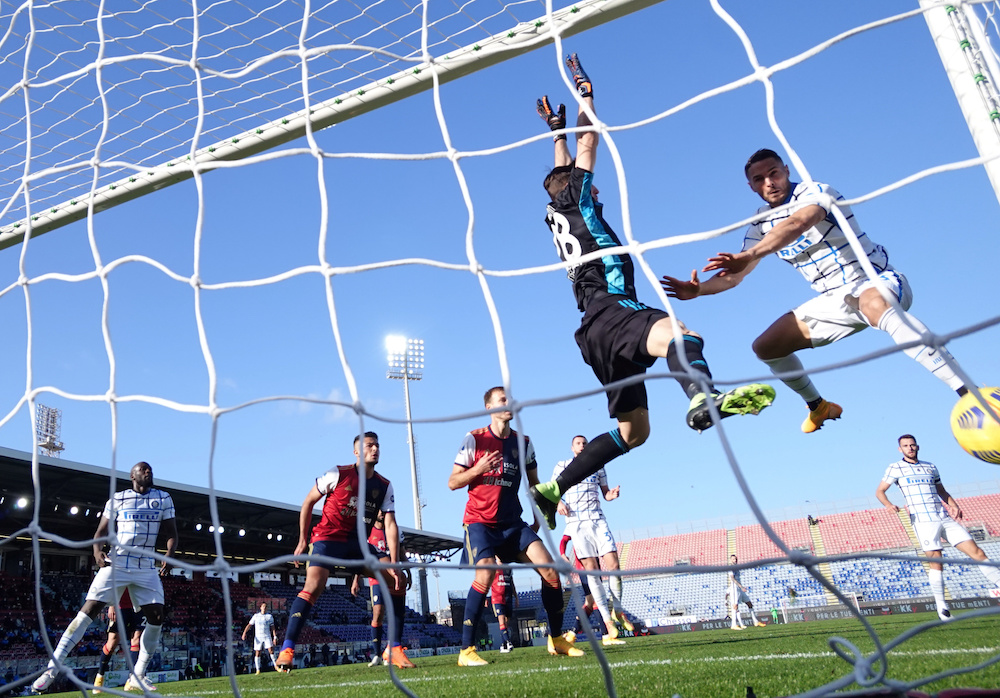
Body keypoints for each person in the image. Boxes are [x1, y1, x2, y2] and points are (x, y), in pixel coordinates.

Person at [530, 55, 775, 529]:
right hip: (615, 309)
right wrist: (585, 94)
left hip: (592, 332)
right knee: (681, 334)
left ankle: (553, 488)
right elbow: (590, 140)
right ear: (580, 189)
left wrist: (554, 132)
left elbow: (560, 174)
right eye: (588, 186)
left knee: (634, 432)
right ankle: (702, 395)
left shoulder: (556, 212)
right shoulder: (580, 198)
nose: (595, 190)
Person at [662, 148, 968, 434]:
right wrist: (698, 290)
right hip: (834, 300)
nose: (769, 183)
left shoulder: (814, 191)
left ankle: (968, 392)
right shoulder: (759, 224)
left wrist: (750, 255)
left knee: (872, 301)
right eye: (759, 179)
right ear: (751, 186)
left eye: (774, 174)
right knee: (766, 347)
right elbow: (734, 277)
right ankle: (817, 406)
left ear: (786, 170)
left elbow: (798, 222)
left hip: (875, 282)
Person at [448, 386, 584, 667]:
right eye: (502, 399)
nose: (509, 403)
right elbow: (453, 482)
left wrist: (544, 508)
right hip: (479, 522)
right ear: (489, 407)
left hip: (512, 523)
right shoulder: (473, 439)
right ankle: (466, 650)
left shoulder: (524, 443)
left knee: (550, 569)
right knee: (485, 574)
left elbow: (535, 484)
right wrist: (478, 469)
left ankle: (556, 639)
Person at [32, 461, 177, 694]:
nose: (148, 471)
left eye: (150, 469)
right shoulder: (118, 499)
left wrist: (169, 555)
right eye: (143, 469)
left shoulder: (163, 498)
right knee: (88, 610)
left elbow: (172, 533)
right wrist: (97, 551)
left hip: (145, 566)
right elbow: (100, 532)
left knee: (157, 616)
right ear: (132, 475)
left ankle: (138, 675)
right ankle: (52, 668)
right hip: (117, 562)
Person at [275, 432, 413, 671]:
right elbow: (308, 502)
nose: (375, 449)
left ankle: (395, 648)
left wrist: (393, 561)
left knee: (394, 578)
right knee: (314, 585)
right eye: (369, 445)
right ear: (356, 451)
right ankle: (287, 649)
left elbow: (390, 524)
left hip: (357, 544)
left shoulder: (384, 485)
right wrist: (302, 540)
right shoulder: (338, 473)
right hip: (327, 539)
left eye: (377, 445)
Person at [876, 434, 1000, 621]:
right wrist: (888, 505)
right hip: (923, 520)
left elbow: (941, 490)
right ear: (900, 449)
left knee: (978, 552)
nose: (910, 448)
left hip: (943, 516)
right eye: (905, 446)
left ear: (917, 447)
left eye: (912, 445)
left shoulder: (930, 467)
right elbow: (880, 491)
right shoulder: (895, 467)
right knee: (937, 562)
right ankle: (942, 608)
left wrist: (954, 504)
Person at [553, 435, 632, 645]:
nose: (582, 446)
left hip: (598, 520)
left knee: (614, 564)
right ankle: (608, 623)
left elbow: (605, 494)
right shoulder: (562, 465)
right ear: (572, 448)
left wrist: (611, 495)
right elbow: (553, 493)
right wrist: (558, 504)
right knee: (592, 572)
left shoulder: (598, 465)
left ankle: (618, 610)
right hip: (577, 524)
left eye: (585, 443)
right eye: (578, 443)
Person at [350, 511, 412, 667]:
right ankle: (377, 654)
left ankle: (392, 649)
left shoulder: (394, 530)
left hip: (394, 576)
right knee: (378, 612)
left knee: (394, 613)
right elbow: (362, 557)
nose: (382, 514)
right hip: (376, 578)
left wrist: (408, 572)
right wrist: (356, 580)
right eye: (379, 511)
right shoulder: (368, 531)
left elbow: (402, 554)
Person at [94, 589, 145, 693]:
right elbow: (114, 584)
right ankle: (100, 676)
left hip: (138, 606)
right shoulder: (118, 571)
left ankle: (132, 679)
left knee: (136, 640)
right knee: (112, 644)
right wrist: (111, 606)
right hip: (120, 607)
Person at [727, 555, 765, 630]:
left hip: (740, 588)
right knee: (735, 605)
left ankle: (755, 621)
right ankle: (733, 625)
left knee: (749, 603)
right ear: (731, 560)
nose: (735, 560)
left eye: (736, 559)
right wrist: (741, 586)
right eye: (733, 559)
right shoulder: (730, 568)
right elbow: (732, 578)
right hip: (735, 588)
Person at [241, 602, 277, 675]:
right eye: (263, 606)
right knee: (258, 652)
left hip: (267, 636)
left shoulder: (269, 616)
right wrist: (244, 633)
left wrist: (274, 637)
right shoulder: (256, 616)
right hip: (258, 637)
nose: (264, 608)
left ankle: (276, 666)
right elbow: (249, 625)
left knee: (271, 650)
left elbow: (272, 627)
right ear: (260, 607)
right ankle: (258, 670)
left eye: (265, 606)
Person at [489, 570, 516, 653]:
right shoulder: (493, 568)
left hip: (508, 598)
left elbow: (512, 583)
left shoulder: (508, 569)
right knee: (502, 621)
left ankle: (503, 645)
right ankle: (508, 642)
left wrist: (516, 597)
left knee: (506, 623)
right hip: (497, 598)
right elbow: (486, 582)